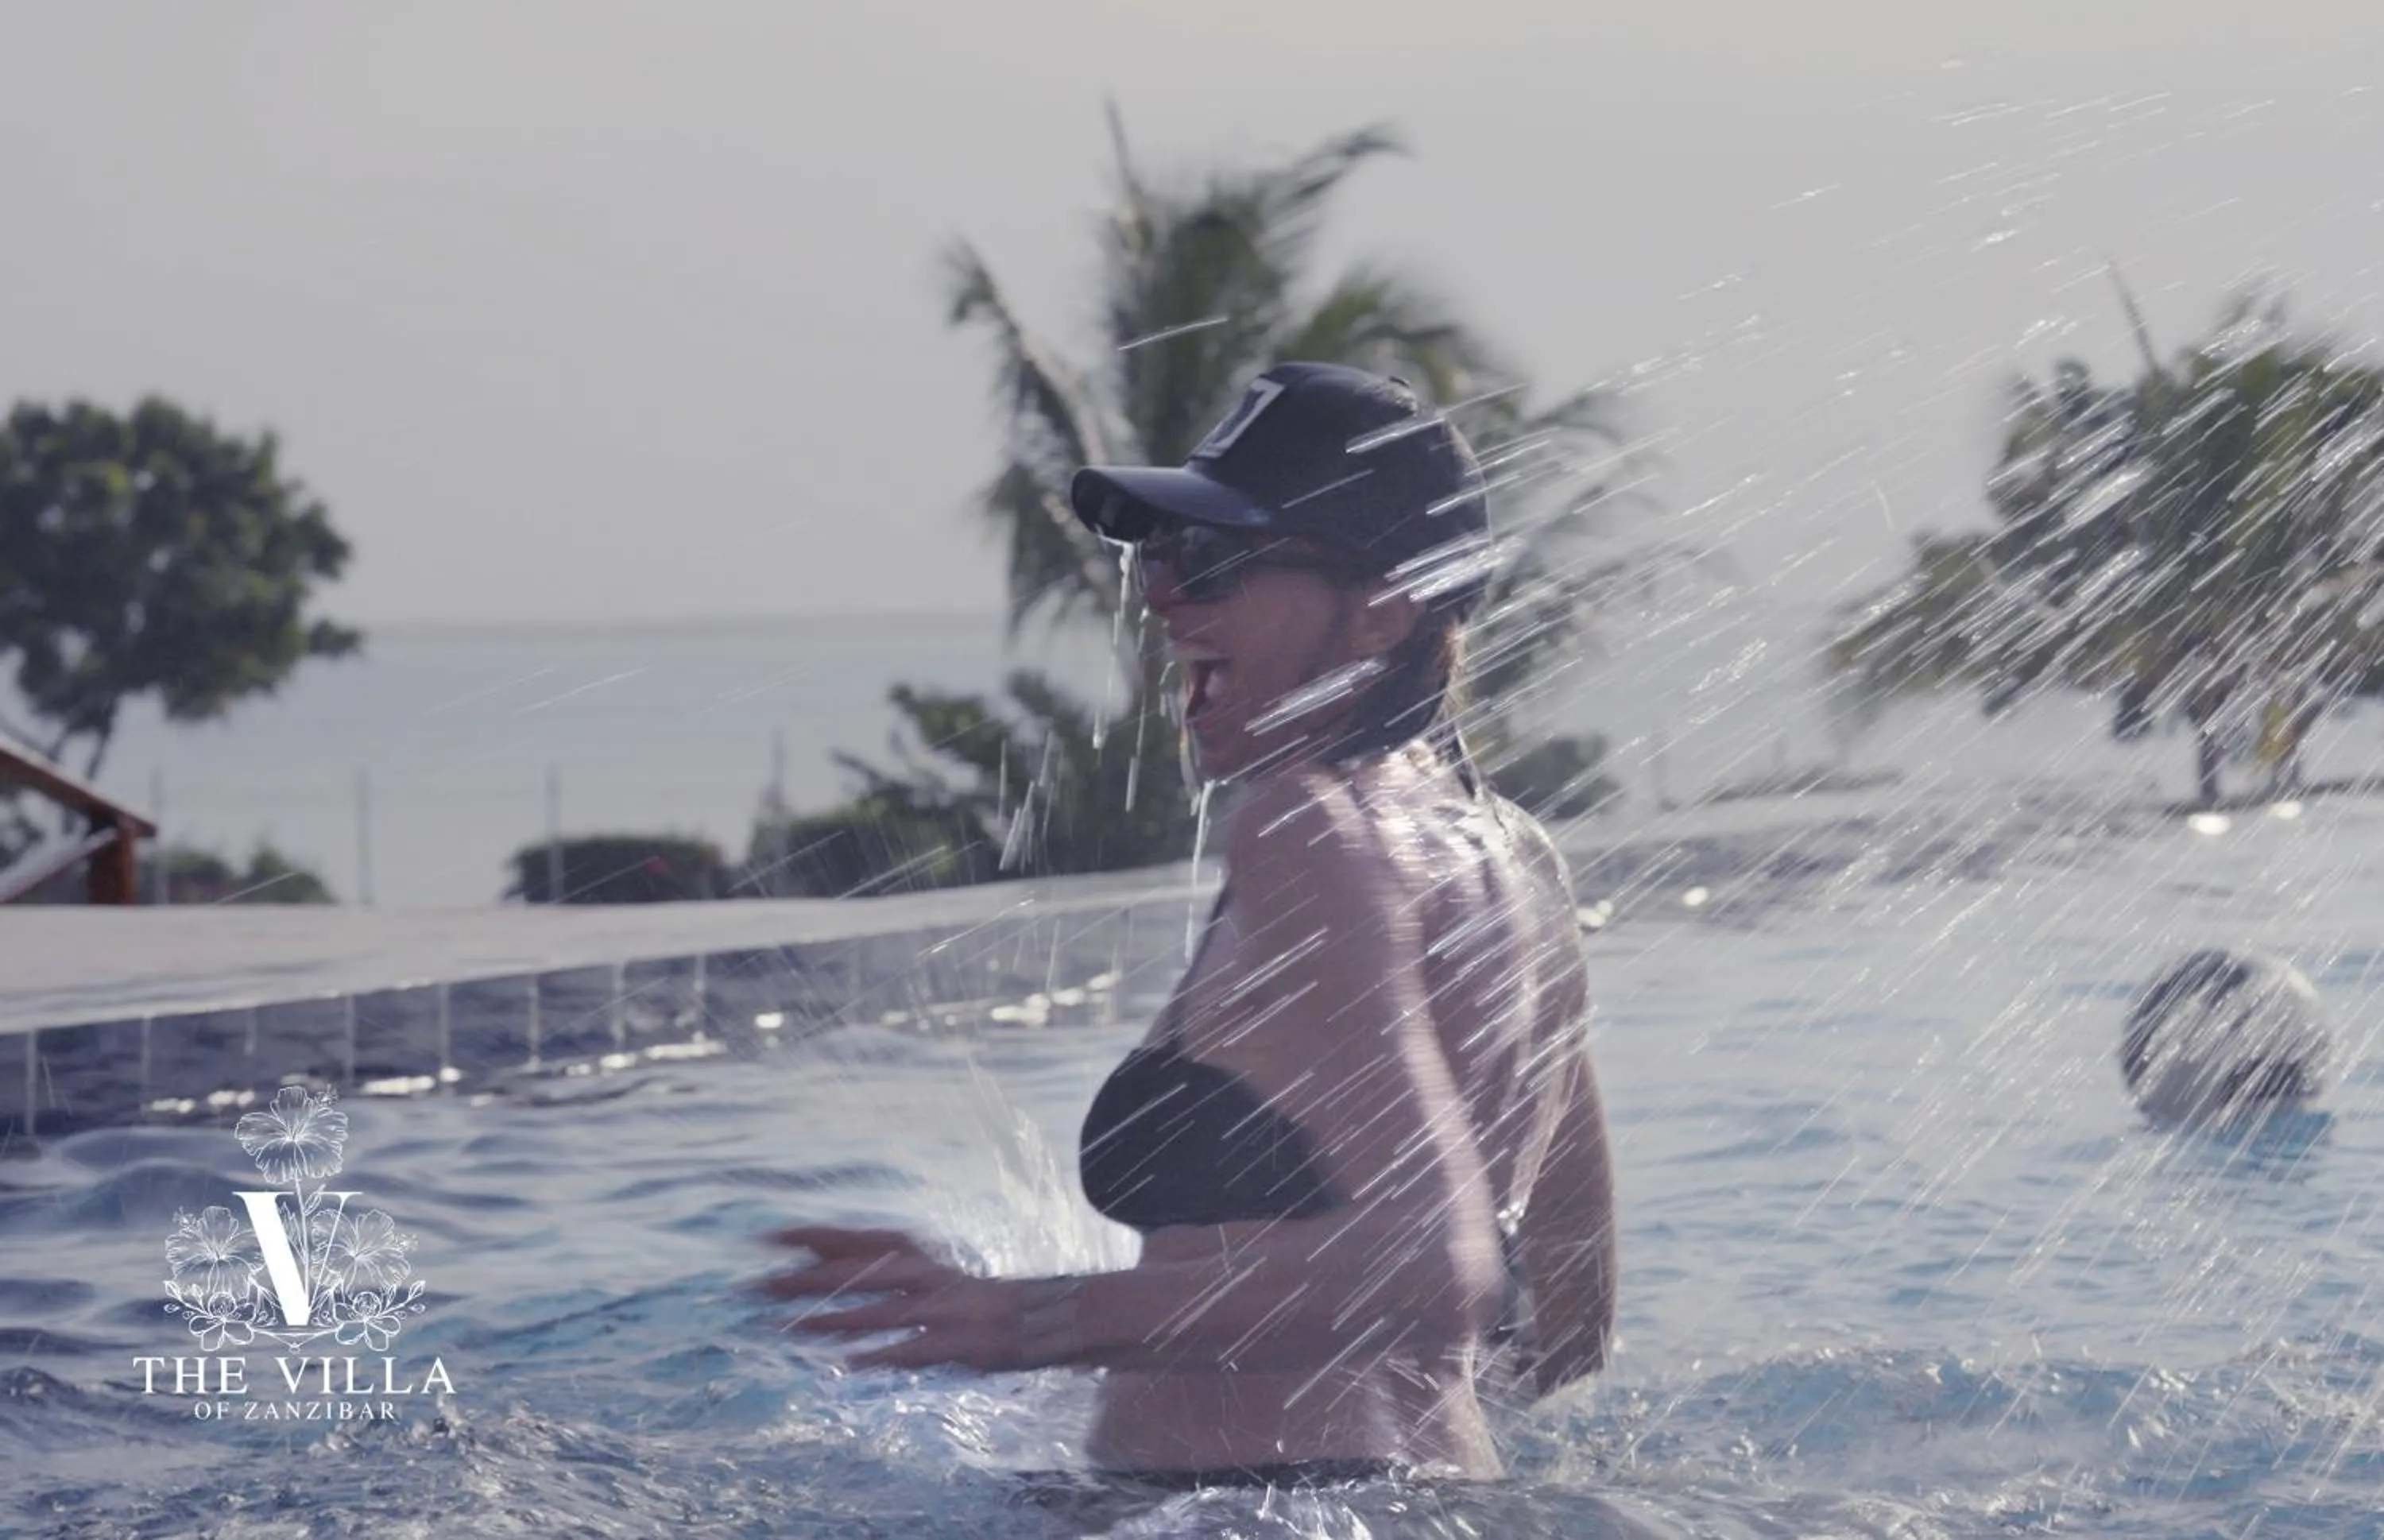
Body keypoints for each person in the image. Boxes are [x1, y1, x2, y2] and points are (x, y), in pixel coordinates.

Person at [763, 362, 1616, 1487]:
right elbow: (1568, 1309)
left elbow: (1431, 1267)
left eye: (1212, 562)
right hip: (1422, 1499)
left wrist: (1026, 1323)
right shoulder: (1515, 856)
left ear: (1385, 608)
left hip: (1250, 1511)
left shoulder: (1306, 830)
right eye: (1158, 554)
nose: (1164, 594)